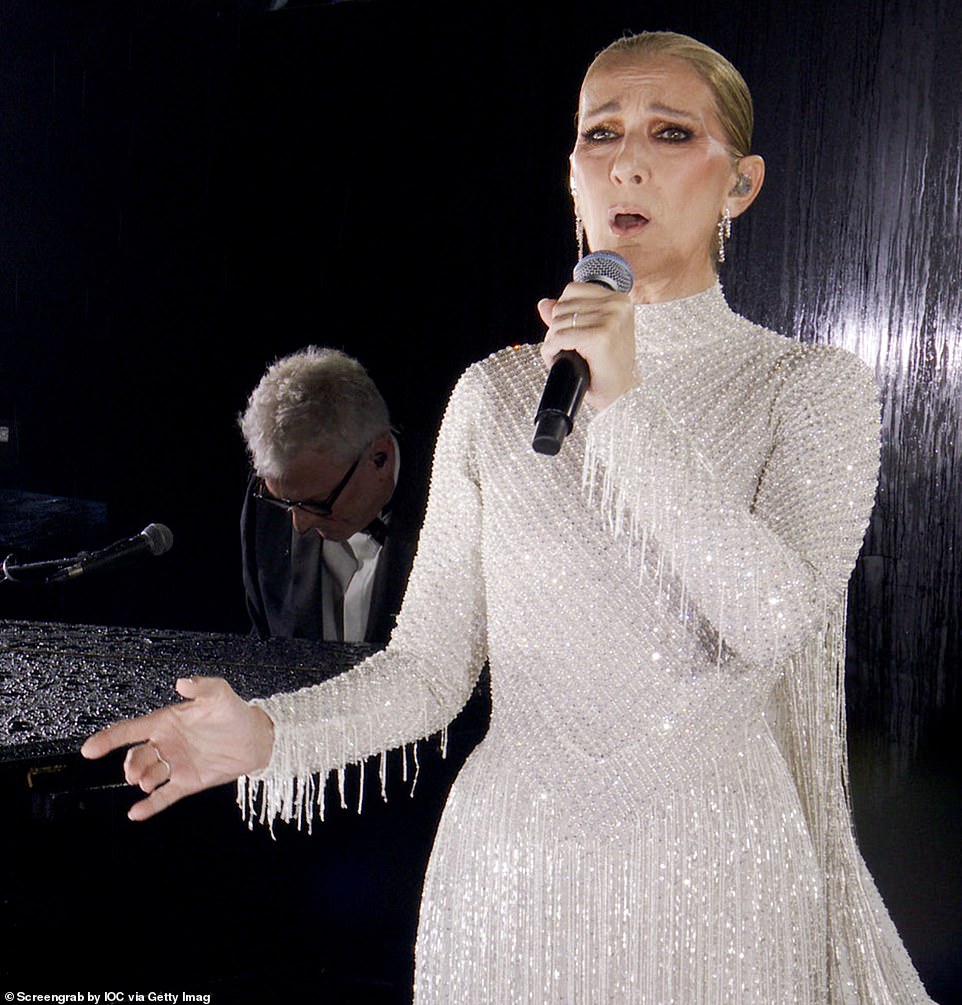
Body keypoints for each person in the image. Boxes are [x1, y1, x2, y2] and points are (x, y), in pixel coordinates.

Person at [82, 31, 936, 1004]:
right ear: (570, 171)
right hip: (508, 888)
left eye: (668, 131)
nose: (625, 159)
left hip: (719, 891)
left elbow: (773, 619)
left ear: (737, 184)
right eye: (598, 132)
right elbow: (431, 670)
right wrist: (270, 737)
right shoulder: (495, 395)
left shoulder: (807, 387)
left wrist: (625, 404)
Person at [239, 346, 423, 644]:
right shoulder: (270, 503)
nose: (298, 524)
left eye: (316, 504)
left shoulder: (456, 510)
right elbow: (267, 646)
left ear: (380, 457)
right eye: (285, 502)